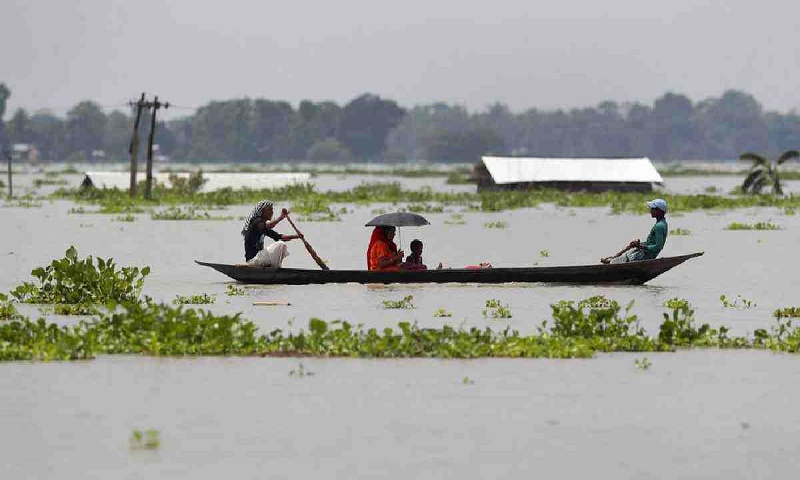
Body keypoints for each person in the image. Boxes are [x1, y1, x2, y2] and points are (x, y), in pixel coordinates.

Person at [601, 198, 668, 264]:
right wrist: (639, 244)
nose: (650, 211)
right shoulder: (663, 223)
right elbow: (651, 242)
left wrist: (641, 246)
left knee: (622, 260)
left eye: (653, 209)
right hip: (646, 253)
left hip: (646, 256)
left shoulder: (659, 226)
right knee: (624, 256)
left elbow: (658, 246)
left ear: (659, 211)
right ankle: (612, 261)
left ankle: (611, 262)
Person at [240, 200, 304, 267]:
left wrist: (297, 236)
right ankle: (274, 269)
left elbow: (279, 237)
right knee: (281, 244)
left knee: (282, 246)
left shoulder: (263, 226)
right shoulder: (256, 221)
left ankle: (274, 269)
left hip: (259, 259)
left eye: (272, 210)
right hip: (253, 260)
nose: (272, 212)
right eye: (269, 210)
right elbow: (269, 225)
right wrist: (280, 218)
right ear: (262, 211)